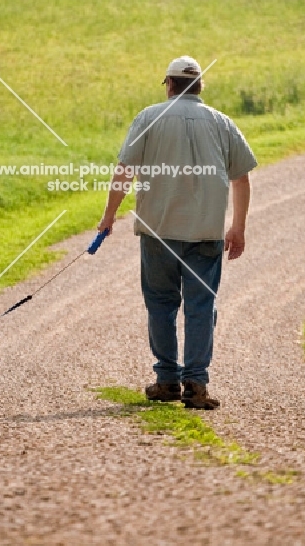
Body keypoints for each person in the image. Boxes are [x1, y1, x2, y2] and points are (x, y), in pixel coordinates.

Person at [97, 56, 257, 409]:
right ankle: (196, 384)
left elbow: (124, 170)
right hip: (205, 231)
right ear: (200, 86)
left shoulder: (148, 117)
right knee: (201, 306)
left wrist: (109, 216)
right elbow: (241, 177)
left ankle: (167, 379)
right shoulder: (222, 122)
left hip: (158, 231)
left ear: (168, 84)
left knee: (161, 304)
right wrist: (238, 227)